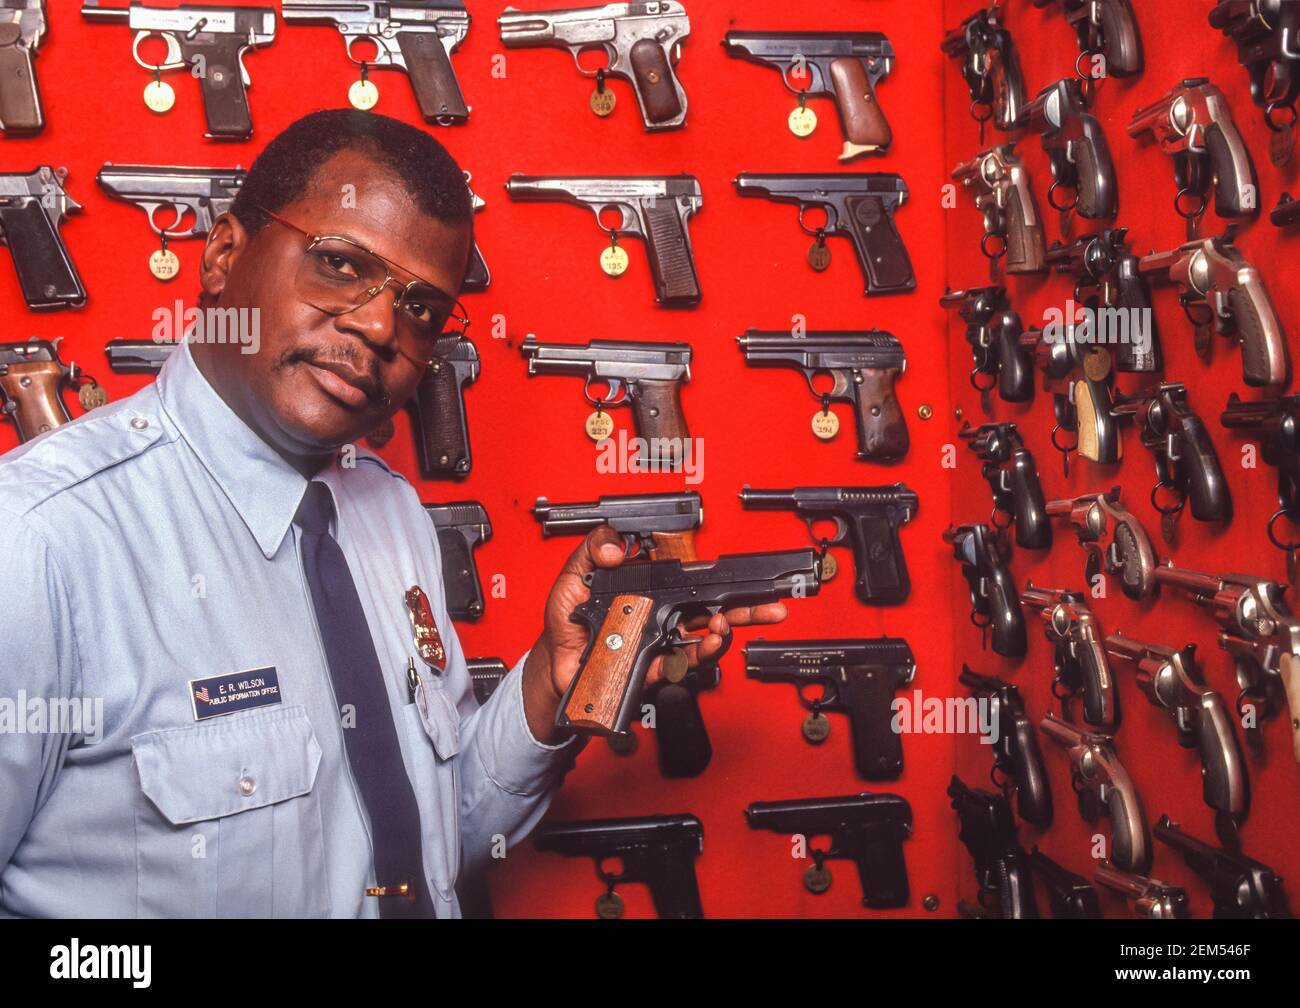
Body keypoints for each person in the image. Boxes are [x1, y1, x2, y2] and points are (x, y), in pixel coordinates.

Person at [0, 109, 786, 918]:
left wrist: (556, 687)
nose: (379, 327)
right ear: (224, 255)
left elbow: (439, 839)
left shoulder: (391, 512)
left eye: (420, 308)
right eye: (339, 264)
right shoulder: (37, 542)